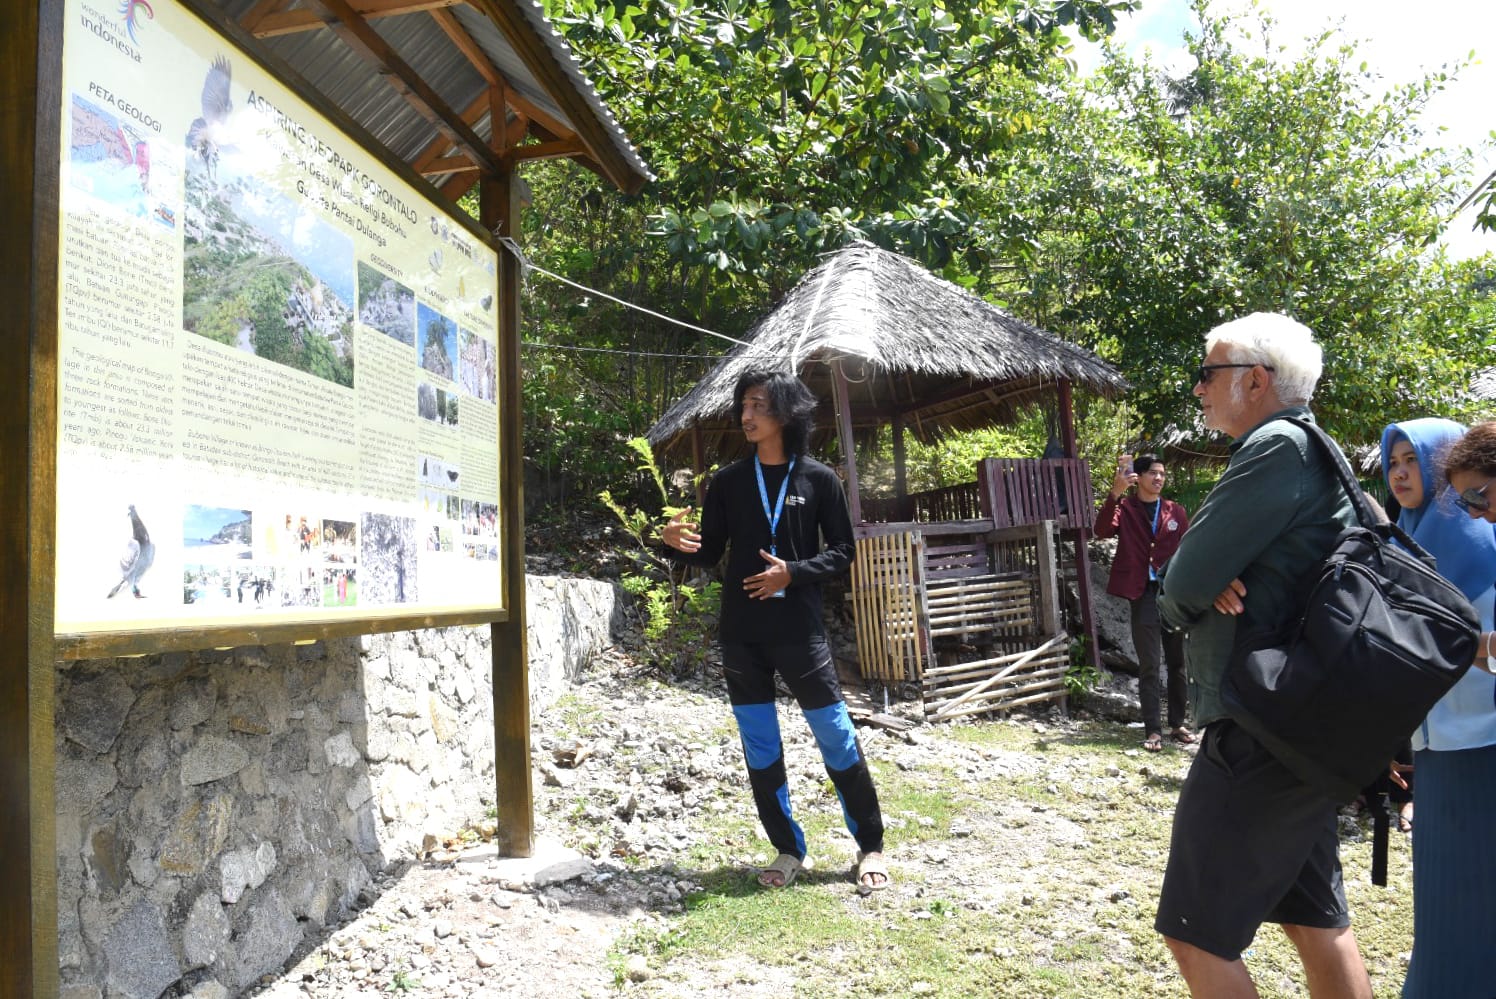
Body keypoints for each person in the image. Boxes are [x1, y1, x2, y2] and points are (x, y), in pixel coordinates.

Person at [1154, 312, 1372, 999]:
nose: (1197, 391)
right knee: (1316, 921)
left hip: (1261, 726)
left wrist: (1184, 589)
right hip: (1310, 723)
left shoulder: (1275, 445)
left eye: (1206, 374)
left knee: (1193, 932)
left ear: (1255, 379)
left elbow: (1183, 582)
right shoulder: (1318, 448)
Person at [661, 369, 888, 893]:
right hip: (741, 634)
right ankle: (788, 849)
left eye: (759, 405)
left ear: (785, 414)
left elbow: (844, 552)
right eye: (744, 404)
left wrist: (793, 572)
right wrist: (672, 541)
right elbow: (708, 553)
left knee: (835, 733)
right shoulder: (728, 482)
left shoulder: (819, 479)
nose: (747, 414)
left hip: (798, 630)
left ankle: (870, 844)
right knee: (760, 743)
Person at [1394, 419, 1496, 998]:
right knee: (1442, 909)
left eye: (1414, 459)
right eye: (1393, 461)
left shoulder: (1478, 543)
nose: (1477, 511)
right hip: (1436, 751)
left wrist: (1471, 648)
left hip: (1482, 744)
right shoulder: (1407, 541)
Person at [1094, 453, 1192, 752]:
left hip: (1172, 592)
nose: (1159, 478)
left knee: (1177, 662)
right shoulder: (1124, 507)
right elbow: (1100, 531)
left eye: (1162, 473)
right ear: (1138, 477)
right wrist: (1115, 491)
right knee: (1149, 662)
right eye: (1152, 473)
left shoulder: (1176, 511)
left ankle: (1177, 723)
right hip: (1142, 592)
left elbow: (1188, 549)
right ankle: (1153, 730)